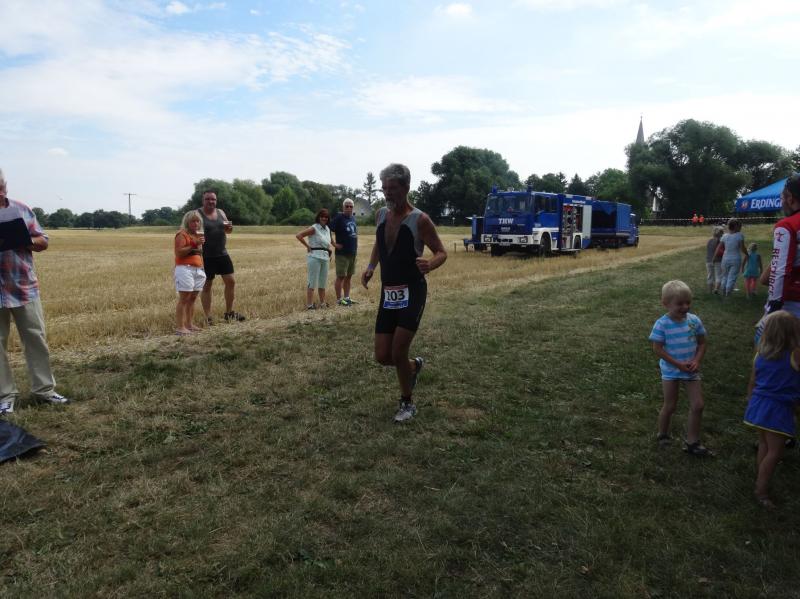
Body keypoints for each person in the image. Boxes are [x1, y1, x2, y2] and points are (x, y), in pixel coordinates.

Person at [361, 163, 447, 422]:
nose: (387, 193)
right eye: (384, 188)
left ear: (406, 188)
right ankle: (413, 366)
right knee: (382, 356)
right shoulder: (381, 215)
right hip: (389, 292)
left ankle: (407, 403)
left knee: (398, 351)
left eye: (393, 188)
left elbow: (441, 252)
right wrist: (371, 267)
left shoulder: (420, 220)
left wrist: (430, 264)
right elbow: (379, 243)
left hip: (413, 291)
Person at [0, 168, 69, 414]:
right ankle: (5, 395)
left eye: (0, 187)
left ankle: (44, 390)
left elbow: (43, 241)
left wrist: (24, 241)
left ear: (5, 186)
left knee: (35, 339)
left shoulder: (21, 209)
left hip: (23, 287)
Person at [743, 311, 800, 509]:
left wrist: (750, 400)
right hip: (778, 409)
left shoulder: (760, 354)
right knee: (775, 452)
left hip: (759, 404)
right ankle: (761, 491)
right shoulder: (795, 354)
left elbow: (753, 381)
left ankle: (761, 476)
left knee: (764, 445)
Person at [649, 280, 711, 456]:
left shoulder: (694, 321)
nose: (685, 307)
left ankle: (692, 441)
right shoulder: (662, 324)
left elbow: (702, 343)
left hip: (691, 370)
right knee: (670, 405)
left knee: (698, 405)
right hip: (671, 371)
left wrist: (697, 360)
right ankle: (662, 434)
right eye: (680, 304)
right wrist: (678, 365)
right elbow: (657, 349)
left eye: (688, 302)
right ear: (666, 303)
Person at [197, 190, 244, 324]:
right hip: (206, 256)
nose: (211, 201)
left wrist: (229, 227)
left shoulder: (221, 212)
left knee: (231, 282)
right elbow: (190, 231)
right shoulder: (197, 214)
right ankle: (208, 317)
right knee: (207, 286)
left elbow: (228, 231)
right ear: (203, 200)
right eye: (208, 199)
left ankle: (229, 313)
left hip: (222, 253)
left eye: (213, 199)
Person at [174, 211, 206, 335]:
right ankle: (180, 327)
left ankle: (189, 324)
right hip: (185, 269)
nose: (196, 223)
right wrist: (194, 244)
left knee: (192, 298)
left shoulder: (197, 235)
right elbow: (179, 253)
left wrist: (198, 247)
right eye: (193, 221)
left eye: (198, 221)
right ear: (187, 222)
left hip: (198, 269)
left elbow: (198, 253)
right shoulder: (181, 234)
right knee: (184, 298)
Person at [296, 208, 334, 309]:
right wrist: (307, 246)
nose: (324, 218)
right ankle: (310, 305)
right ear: (318, 217)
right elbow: (299, 235)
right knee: (312, 282)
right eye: (322, 216)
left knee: (323, 282)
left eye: (326, 217)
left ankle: (322, 303)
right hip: (315, 257)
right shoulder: (314, 228)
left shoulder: (328, 229)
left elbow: (328, 243)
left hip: (325, 258)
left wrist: (329, 253)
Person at [332, 198, 358, 306]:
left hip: (352, 252)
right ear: (343, 207)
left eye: (351, 206)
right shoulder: (339, 217)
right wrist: (334, 244)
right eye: (347, 206)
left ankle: (347, 298)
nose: (349, 208)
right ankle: (339, 300)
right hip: (342, 253)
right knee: (341, 276)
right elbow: (327, 230)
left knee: (349, 276)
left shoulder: (353, 218)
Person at [719, 217, 748, 297]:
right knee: (732, 276)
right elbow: (742, 248)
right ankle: (728, 292)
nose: (740, 229)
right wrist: (747, 254)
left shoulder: (724, 236)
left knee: (725, 276)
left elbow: (720, 247)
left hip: (725, 259)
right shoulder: (739, 235)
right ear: (736, 227)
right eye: (740, 227)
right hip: (736, 259)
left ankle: (723, 291)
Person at [705, 226, 724, 294]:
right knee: (719, 276)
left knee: (710, 276)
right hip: (718, 260)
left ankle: (710, 291)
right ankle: (716, 289)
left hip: (708, 260)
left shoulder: (709, 241)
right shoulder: (721, 242)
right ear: (721, 234)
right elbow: (722, 251)